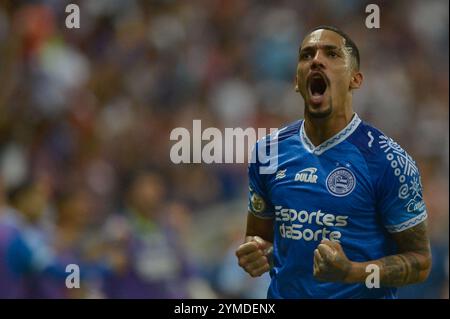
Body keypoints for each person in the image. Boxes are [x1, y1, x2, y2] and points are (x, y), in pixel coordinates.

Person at [235, 25, 431, 299]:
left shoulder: (388, 161)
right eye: (306, 55)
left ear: (355, 79)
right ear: (296, 80)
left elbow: (420, 262)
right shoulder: (268, 152)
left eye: (332, 54)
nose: (316, 60)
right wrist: (256, 252)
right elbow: (260, 239)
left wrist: (352, 271)